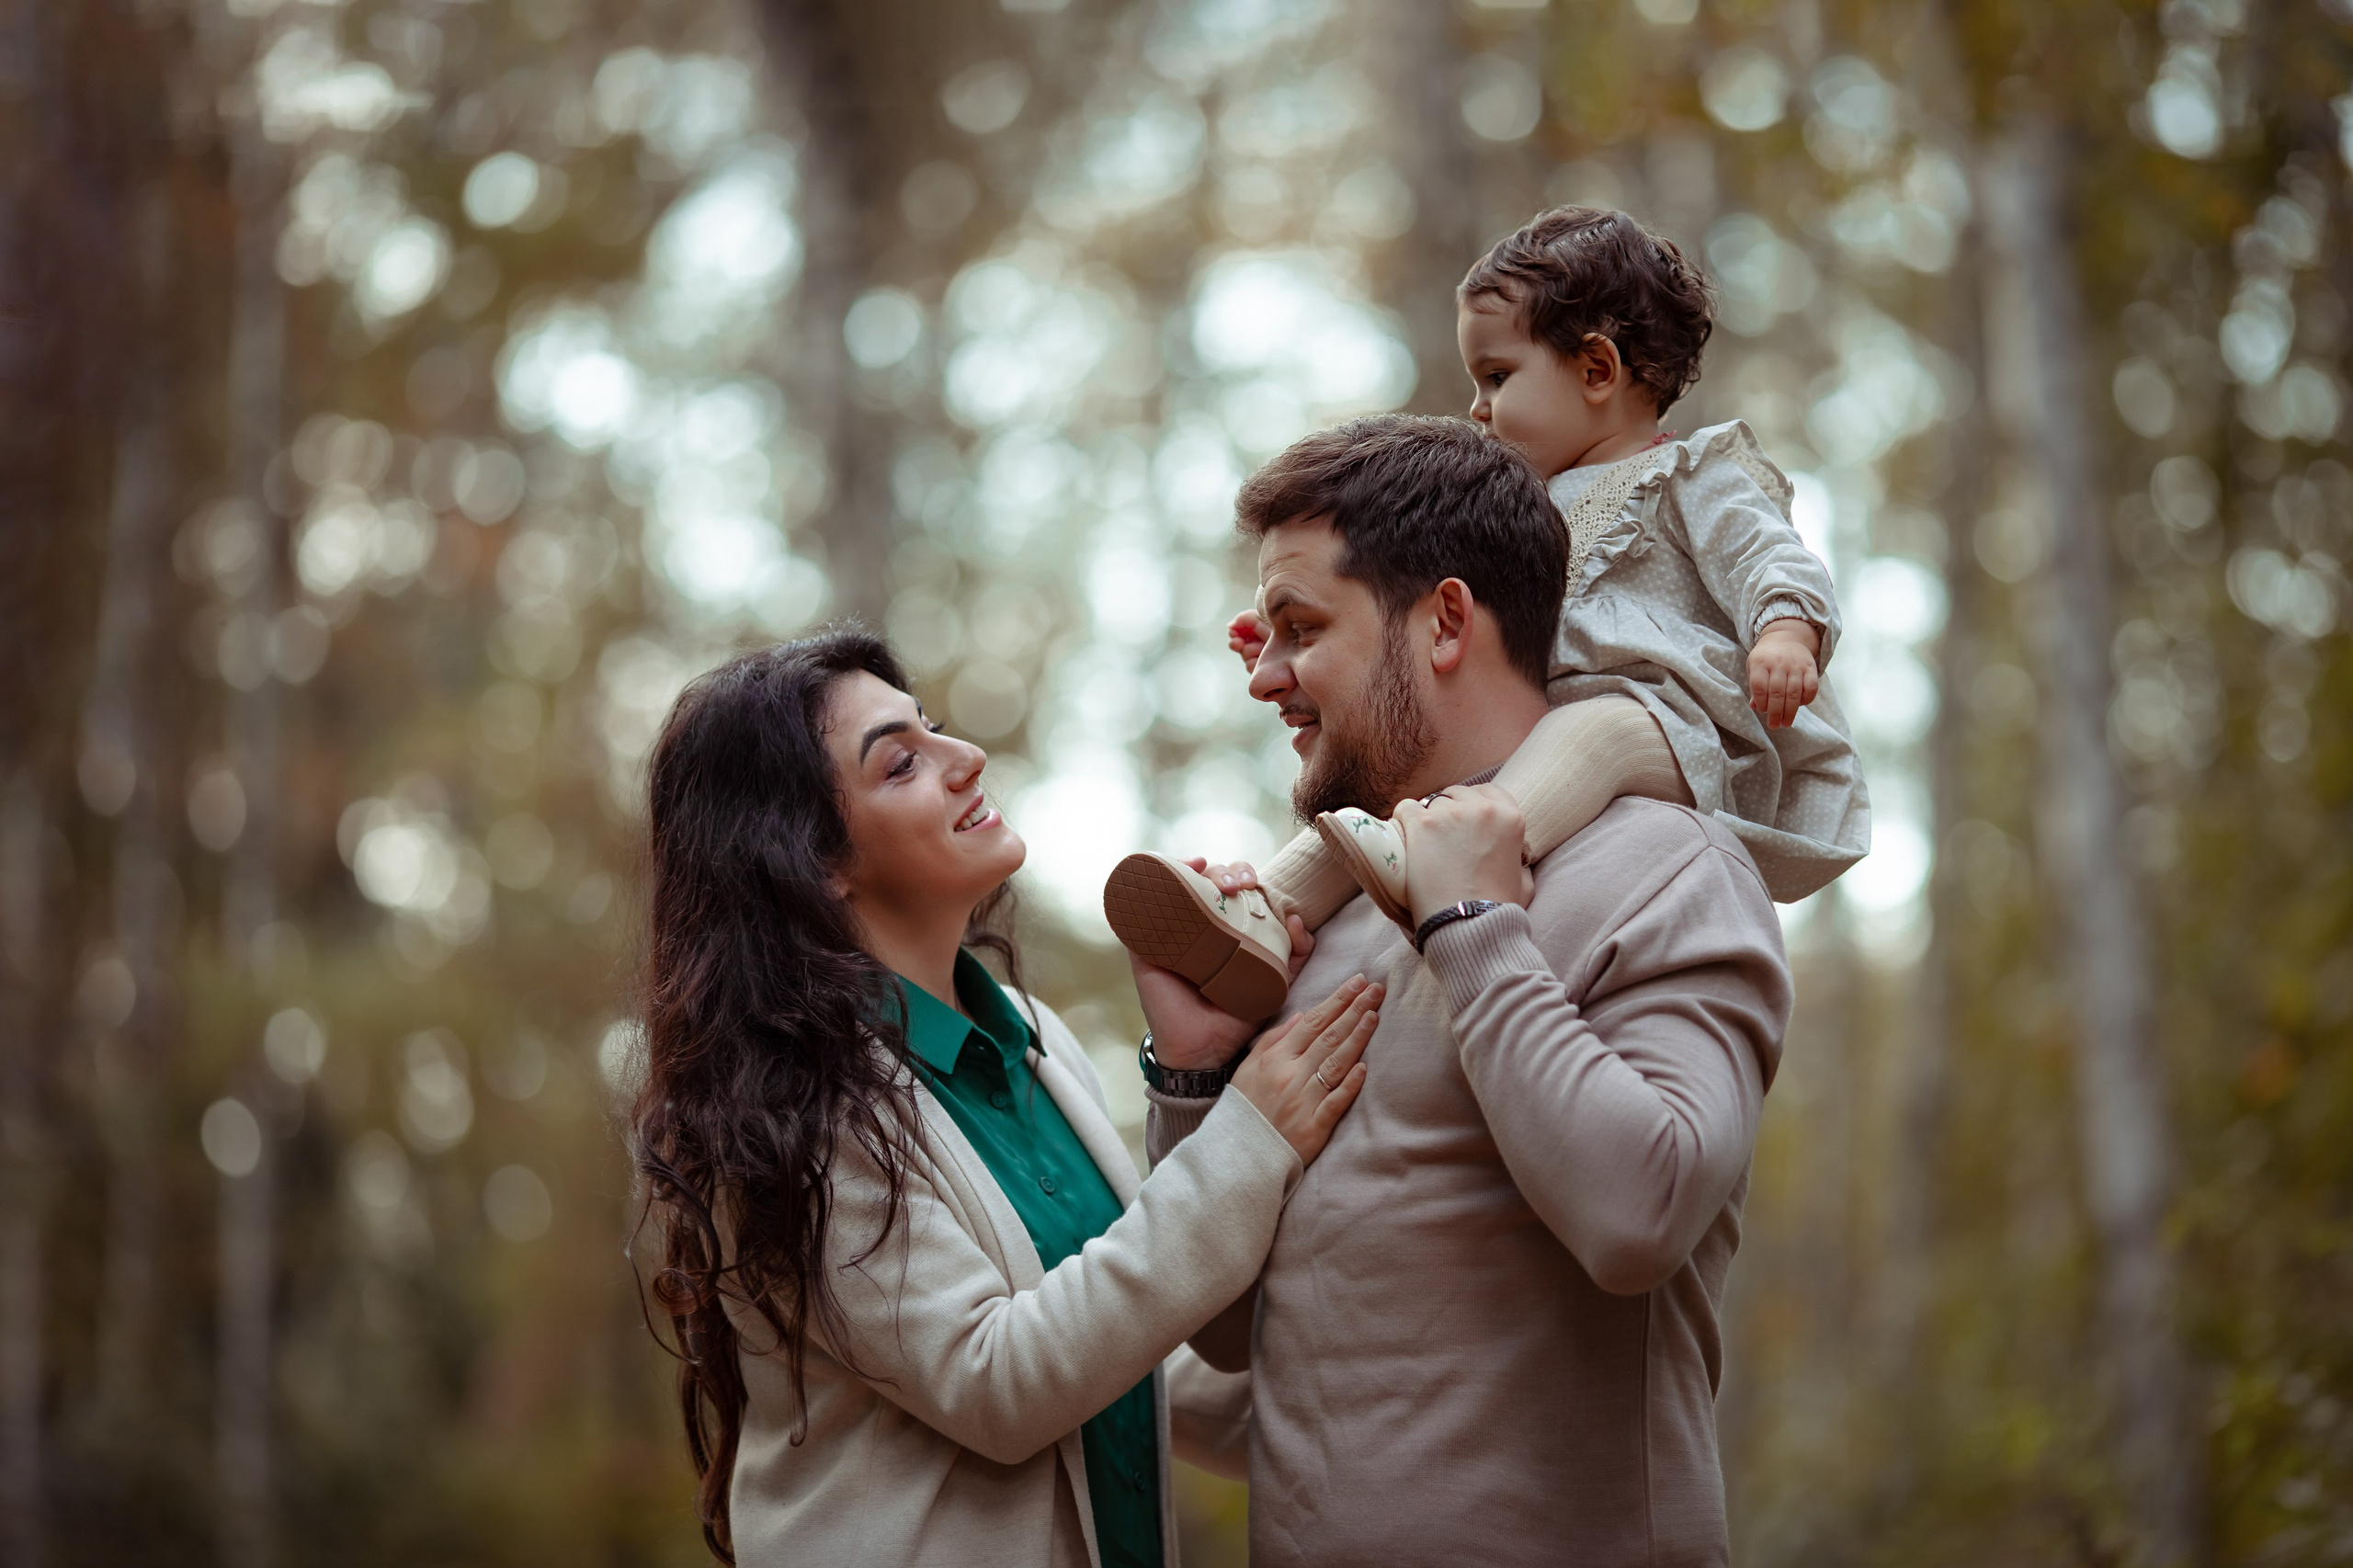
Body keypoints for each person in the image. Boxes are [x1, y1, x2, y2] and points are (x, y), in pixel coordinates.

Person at [1135, 415, 1794, 1567]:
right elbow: (1237, 1331)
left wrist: (1473, 931)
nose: (1263, 676)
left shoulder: (1666, 867)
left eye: (1299, 628)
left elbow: (1640, 1215)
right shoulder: (1320, 920)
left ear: (1444, 620)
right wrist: (1193, 1078)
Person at [626, 631, 1378, 1568]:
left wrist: (1192, 1076)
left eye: (933, 728)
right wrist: (1250, 1135)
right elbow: (1001, 1380)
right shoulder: (796, 1115)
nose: (966, 757)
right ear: (815, 861)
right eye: (901, 761)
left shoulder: (1034, 1036)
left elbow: (1128, 1354)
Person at [1102, 205, 1866, 1013]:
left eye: (1497, 377)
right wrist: (1295, 632)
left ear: (1597, 370)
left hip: (1671, 719)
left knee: (1594, 731)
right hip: (1546, 724)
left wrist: (1784, 628)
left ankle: (1453, 858)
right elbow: (1404, 604)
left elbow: (1769, 557)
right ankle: (1260, 913)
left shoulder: (1691, 476)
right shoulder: (1523, 507)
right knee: (1387, 789)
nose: (1478, 405)